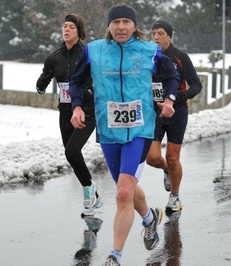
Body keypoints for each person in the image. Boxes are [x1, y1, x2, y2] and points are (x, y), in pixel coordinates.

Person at [68, 4, 180, 266]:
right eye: (115, 22)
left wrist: (170, 99)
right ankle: (150, 218)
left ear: (134, 26)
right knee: (125, 189)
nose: (120, 27)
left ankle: (114, 256)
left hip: (140, 130)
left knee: (122, 193)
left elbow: (172, 76)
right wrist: (75, 105)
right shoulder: (94, 51)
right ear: (109, 26)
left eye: (125, 22)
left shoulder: (149, 51)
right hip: (109, 131)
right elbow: (76, 81)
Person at [36, 13, 102, 216]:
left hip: (86, 111)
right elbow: (44, 80)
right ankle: (94, 192)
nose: (66, 29)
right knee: (71, 155)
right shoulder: (54, 57)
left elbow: (99, 79)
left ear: (79, 32)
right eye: (64, 26)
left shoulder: (88, 55)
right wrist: (41, 84)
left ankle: (88, 194)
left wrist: (89, 93)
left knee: (72, 152)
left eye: (71, 27)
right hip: (65, 113)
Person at [147, 19, 202, 213]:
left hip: (177, 112)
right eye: (153, 33)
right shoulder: (147, 56)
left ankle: (175, 196)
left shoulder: (180, 57)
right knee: (152, 158)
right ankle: (166, 170)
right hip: (154, 112)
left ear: (169, 36)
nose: (156, 37)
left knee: (172, 157)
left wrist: (183, 95)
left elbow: (196, 84)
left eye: (161, 33)